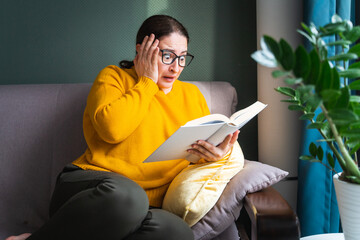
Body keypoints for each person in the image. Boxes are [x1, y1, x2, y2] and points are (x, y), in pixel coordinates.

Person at [6, 14, 239, 240]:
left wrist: (214, 155)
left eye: (182, 57)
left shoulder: (192, 95)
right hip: (93, 190)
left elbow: (191, 152)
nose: (176, 67)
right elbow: (112, 130)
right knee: (128, 198)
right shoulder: (113, 78)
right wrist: (147, 82)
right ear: (142, 50)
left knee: (176, 232)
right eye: (167, 56)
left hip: (145, 209)